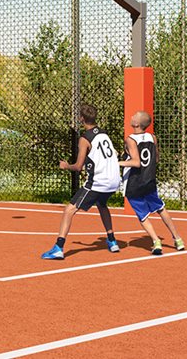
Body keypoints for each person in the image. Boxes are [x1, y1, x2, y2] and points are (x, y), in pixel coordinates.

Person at [41, 104, 122, 260]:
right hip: (114, 181)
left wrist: (66, 166)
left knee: (69, 210)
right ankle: (112, 241)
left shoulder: (85, 139)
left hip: (99, 182)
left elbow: (78, 166)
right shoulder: (104, 134)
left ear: (81, 119)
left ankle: (58, 248)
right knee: (102, 204)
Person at [116, 111, 184, 256]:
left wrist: (117, 163)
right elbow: (156, 158)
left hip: (134, 182)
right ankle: (178, 239)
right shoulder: (152, 137)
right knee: (160, 208)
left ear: (136, 124)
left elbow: (136, 162)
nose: (131, 117)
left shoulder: (130, 140)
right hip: (149, 179)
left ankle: (156, 241)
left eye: (134, 116)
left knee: (143, 215)